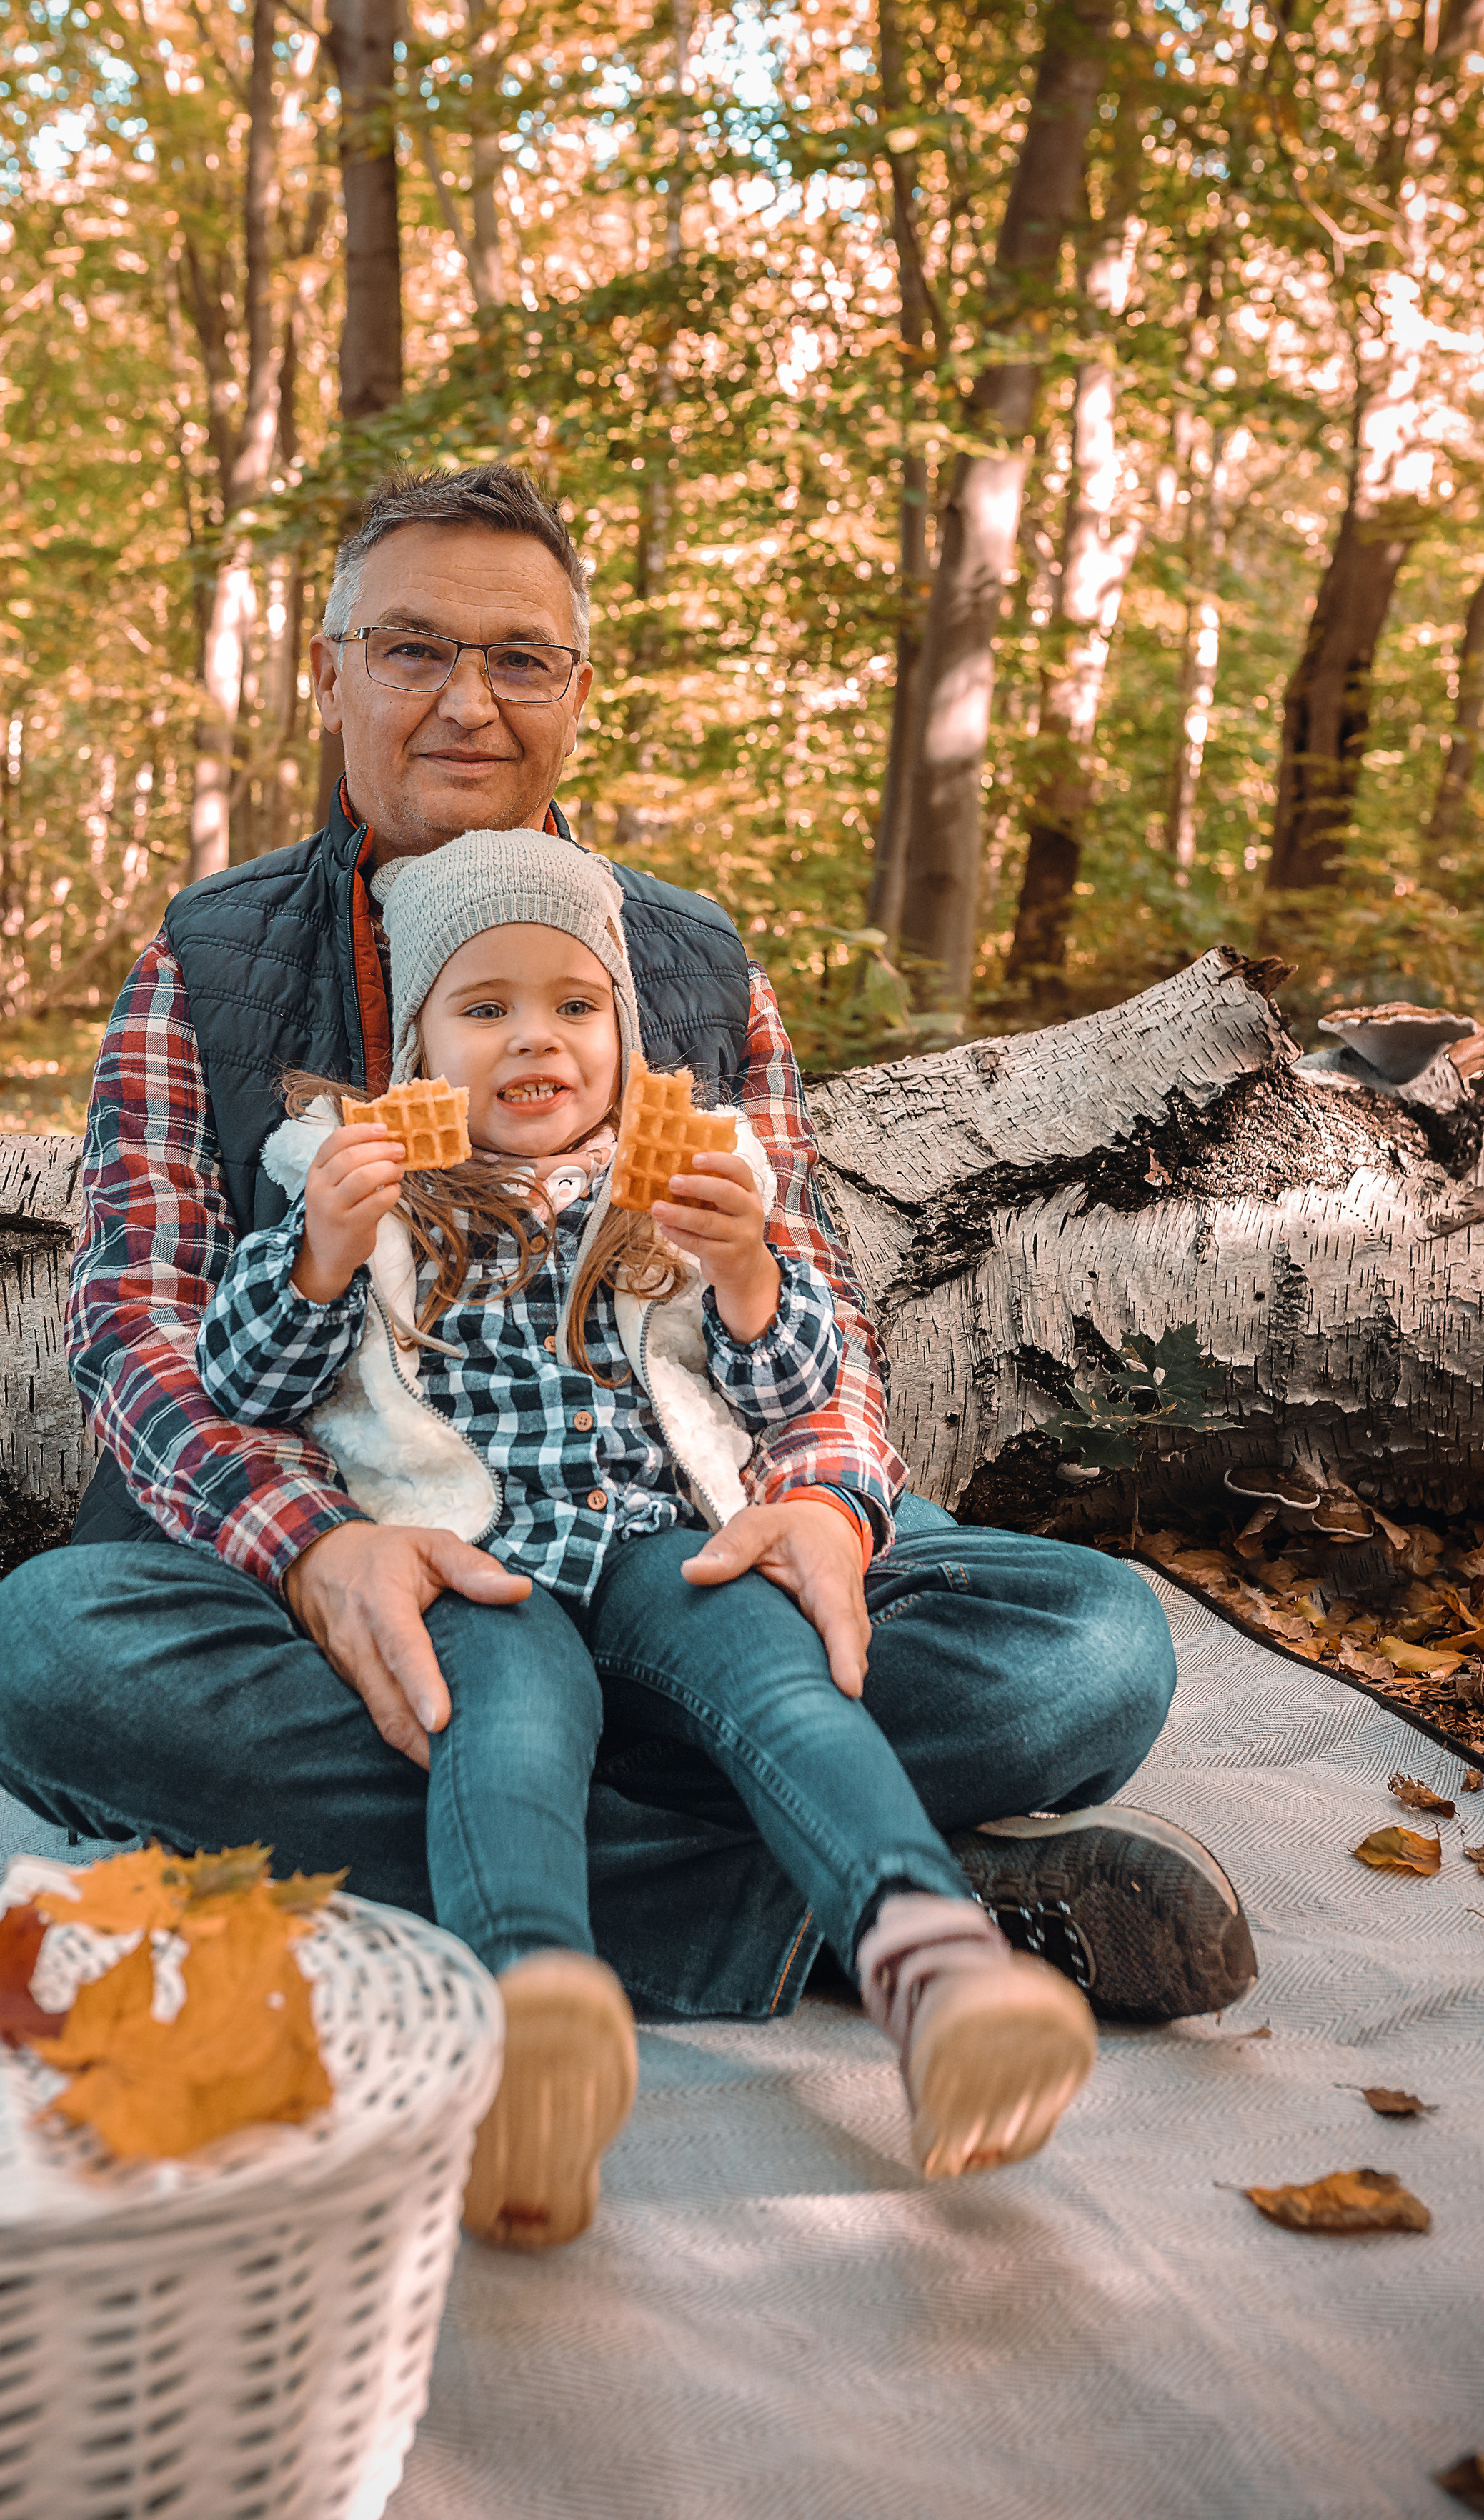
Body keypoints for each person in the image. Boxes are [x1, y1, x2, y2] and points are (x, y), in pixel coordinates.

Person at [0, 462, 1255, 2238]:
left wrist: (826, 1506)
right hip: (361, 1572)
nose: (467, 699)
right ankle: (850, 1894)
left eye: (520, 658)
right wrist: (320, 1543)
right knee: (45, 1658)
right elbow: (138, 1338)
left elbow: (805, 1314)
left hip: (676, 1519)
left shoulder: (691, 964)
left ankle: (542, 1899)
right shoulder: (208, 963)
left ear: (579, 691)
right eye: (413, 648)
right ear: (325, 677)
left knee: (1090, 1647)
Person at [194, 825, 1103, 2240]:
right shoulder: (351, 1177)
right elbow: (237, 1381)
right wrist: (313, 1251)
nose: (532, 1042)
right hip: (465, 1558)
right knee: (495, 1732)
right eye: (481, 1010)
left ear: (623, 1030)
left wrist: (746, 1267)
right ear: (417, 1048)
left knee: (791, 1690)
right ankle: (531, 2014)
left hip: (663, 1539)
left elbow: (795, 1384)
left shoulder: (683, 1172)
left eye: (573, 1007)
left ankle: (934, 1962)